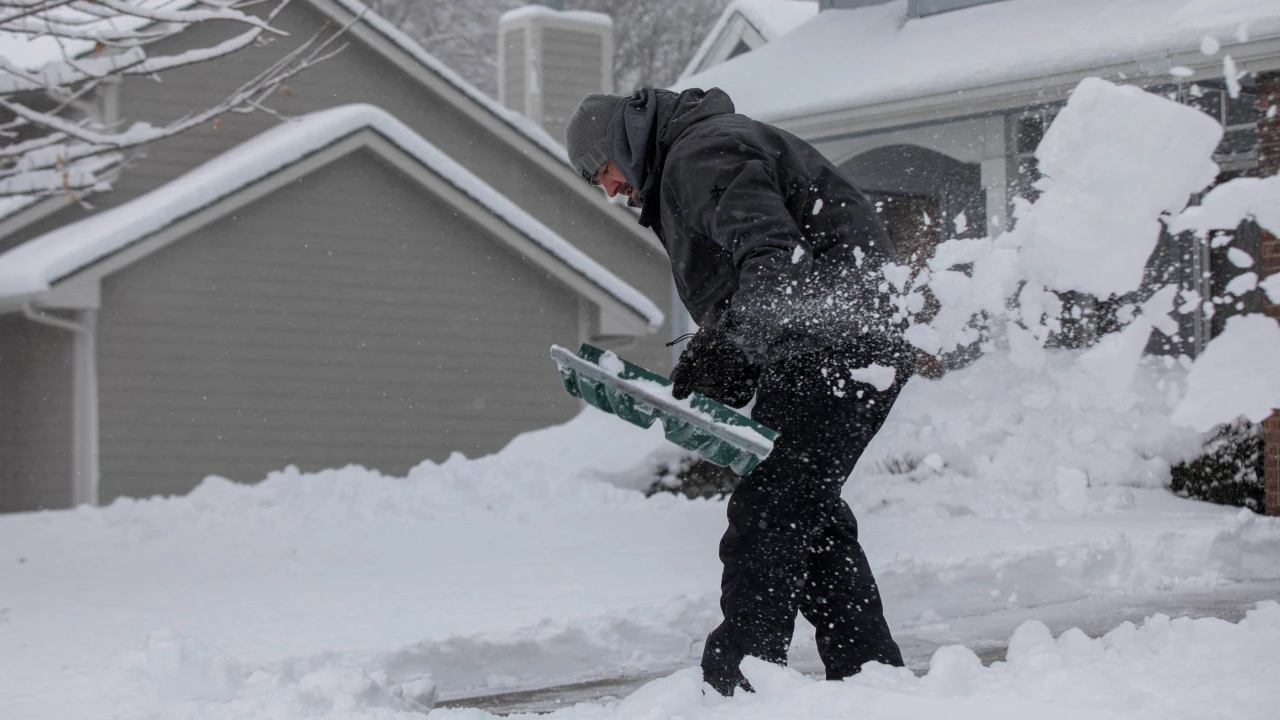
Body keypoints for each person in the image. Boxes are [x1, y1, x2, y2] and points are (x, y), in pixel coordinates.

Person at [565, 87, 914, 696]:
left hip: (837, 346)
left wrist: (729, 346)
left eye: (603, 172)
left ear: (620, 142)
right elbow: (763, 278)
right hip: (836, 344)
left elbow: (772, 259)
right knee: (808, 513)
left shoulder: (703, 153)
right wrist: (729, 348)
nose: (612, 190)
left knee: (769, 514)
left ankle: (738, 684)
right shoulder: (695, 155)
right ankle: (870, 674)